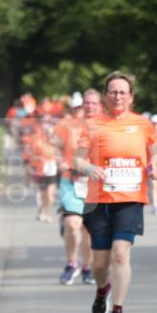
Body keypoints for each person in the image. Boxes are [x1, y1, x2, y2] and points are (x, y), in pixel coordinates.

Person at [74, 72, 157, 313]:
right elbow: (77, 160)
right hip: (98, 200)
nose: (118, 96)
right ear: (105, 96)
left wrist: (154, 166)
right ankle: (102, 289)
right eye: (113, 91)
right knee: (100, 263)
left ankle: (118, 311)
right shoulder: (92, 125)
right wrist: (88, 169)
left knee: (120, 255)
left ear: (131, 96)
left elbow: (152, 154)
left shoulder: (143, 124)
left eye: (123, 92)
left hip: (131, 198)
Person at [55, 89, 102, 284]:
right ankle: (71, 264)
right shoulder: (67, 125)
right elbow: (56, 148)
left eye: (94, 103)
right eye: (86, 103)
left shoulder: (105, 125)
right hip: (71, 180)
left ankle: (86, 268)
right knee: (72, 224)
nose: (89, 107)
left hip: (94, 183)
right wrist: (61, 163)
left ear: (100, 105)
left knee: (88, 230)